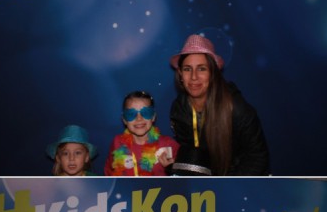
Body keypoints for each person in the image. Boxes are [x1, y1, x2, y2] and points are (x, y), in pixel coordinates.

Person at [169, 35, 269, 176]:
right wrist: (172, 166)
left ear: (213, 73)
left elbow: (258, 158)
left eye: (201, 69)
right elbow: (190, 156)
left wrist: (226, 185)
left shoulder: (236, 108)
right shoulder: (179, 109)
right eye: (187, 69)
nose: (193, 77)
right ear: (180, 74)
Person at [104, 91, 179, 176]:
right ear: (124, 119)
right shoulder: (118, 142)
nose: (139, 118)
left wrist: (171, 169)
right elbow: (109, 172)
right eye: (131, 114)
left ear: (153, 117)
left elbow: (184, 176)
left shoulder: (168, 144)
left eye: (146, 113)